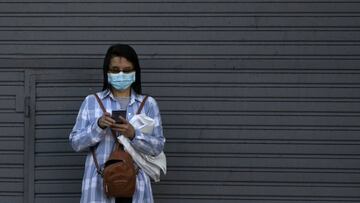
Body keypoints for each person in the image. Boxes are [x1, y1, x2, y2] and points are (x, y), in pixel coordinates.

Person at [69, 44, 165, 203]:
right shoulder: (91, 102)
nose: (121, 74)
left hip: (137, 188)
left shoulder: (148, 104)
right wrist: (98, 126)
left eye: (127, 70)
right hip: (98, 189)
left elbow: (157, 147)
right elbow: (75, 143)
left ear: (135, 72)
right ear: (107, 72)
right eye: (115, 70)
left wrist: (133, 134)